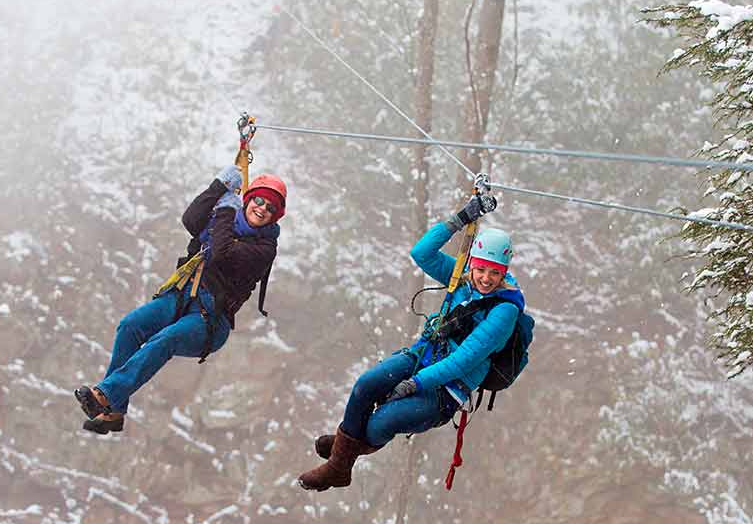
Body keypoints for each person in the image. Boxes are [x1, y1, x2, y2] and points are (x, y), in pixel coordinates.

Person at [298, 196, 522, 491]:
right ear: (473, 265)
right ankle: (341, 463)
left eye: (495, 272)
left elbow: (464, 360)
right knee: (366, 385)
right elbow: (422, 253)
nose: (485, 278)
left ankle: (344, 451)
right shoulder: (463, 279)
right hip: (422, 355)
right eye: (481, 269)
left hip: (448, 389)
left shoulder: (505, 310)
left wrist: (415, 384)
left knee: (382, 423)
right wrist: (460, 219)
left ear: (504, 272)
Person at [74, 165, 285, 433]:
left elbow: (221, 252)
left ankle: (107, 394)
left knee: (167, 339)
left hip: (210, 319)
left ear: (275, 216)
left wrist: (226, 209)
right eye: (259, 200)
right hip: (183, 295)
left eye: (271, 207)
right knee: (130, 326)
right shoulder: (226, 219)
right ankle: (113, 413)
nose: (263, 208)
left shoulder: (264, 248)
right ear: (249, 198)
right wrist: (217, 188)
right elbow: (192, 221)